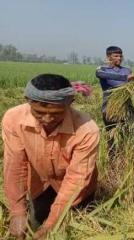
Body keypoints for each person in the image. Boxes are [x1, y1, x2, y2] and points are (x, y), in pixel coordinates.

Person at [2, 74, 99, 239]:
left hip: (76, 191)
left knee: (70, 230)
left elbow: (76, 179)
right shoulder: (13, 119)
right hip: (40, 184)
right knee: (33, 224)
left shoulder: (86, 130)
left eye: (56, 113)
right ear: (28, 100)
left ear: (70, 103)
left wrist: (52, 223)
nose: (47, 119)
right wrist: (17, 211)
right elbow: (15, 165)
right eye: (39, 113)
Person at [95, 46, 134, 158]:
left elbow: (132, 88)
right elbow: (104, 75)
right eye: (115, 56)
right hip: (110, 108)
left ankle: (127, 157)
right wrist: (125, 78)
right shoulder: (102, 70)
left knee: (127, 134)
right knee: (112, 136)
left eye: (120, 56)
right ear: (108, 57)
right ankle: (113, 160)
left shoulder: (127, 70)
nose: (119, 58)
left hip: (125, 107)